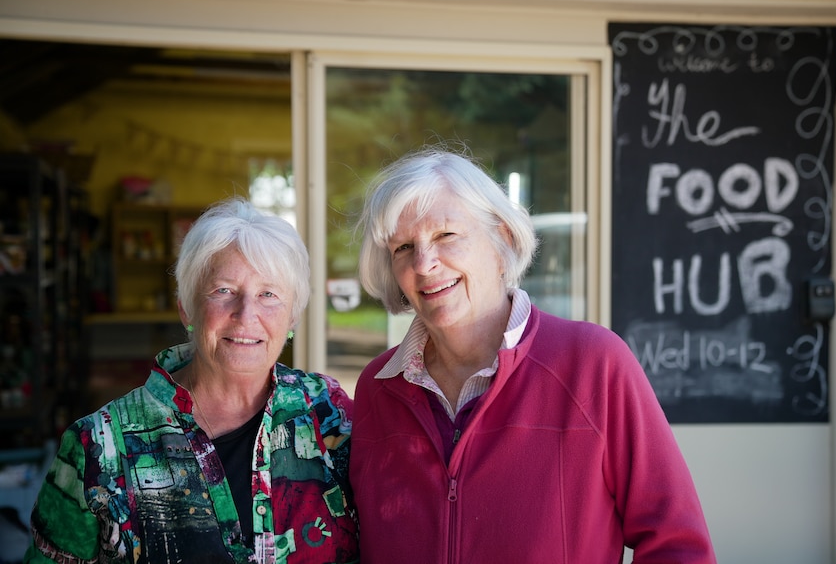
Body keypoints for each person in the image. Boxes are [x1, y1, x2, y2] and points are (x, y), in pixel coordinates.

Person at [349, 146, 717, 563]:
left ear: (500, 240)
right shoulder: (378, 387)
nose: (424, 263)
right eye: (403, 248)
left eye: (445, 236)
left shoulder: (593, 364)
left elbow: (677, 544)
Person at [25, 197, 359, 563]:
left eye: (269, 294)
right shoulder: (98, 445)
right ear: (187, 308)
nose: (246, 314)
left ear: (293, 316)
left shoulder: (328, 412)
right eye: (224, 290)